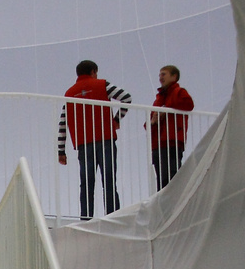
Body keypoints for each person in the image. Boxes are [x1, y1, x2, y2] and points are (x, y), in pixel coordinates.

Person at [58, 60, 132, 219]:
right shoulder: (102, 84)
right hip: (105, 139)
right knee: (109, 181)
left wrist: (61, 151)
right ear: (93, 71)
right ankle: (113, 217)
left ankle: (86, 219)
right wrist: (116, 120)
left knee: (86, 184)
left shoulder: (69, 93)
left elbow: (63, 123)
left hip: (84, 144)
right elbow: (126, 98)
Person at [149, 65, 195, 189]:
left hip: (172, 141)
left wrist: (166, 109)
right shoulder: (159, 98)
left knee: (172, 177)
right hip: (158, 144)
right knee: (162, 179)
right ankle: (165, 205)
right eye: (159, 75)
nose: (160, 78)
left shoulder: (179, 92)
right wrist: (152, 122)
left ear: (174, 77)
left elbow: (189, 104)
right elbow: (149, 123)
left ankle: (172, 204)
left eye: (164, 74)